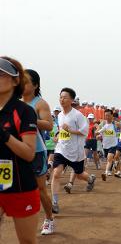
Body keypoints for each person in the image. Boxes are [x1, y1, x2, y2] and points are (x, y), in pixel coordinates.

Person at [0, 56, 39, 243]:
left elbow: (29, 153)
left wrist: (4, 135)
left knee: (27, 241)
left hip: (20, 185)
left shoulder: (23, 111)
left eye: (0, 74)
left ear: (15, 80)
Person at [51, 88, 96, 214]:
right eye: (60, 97)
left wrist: (70, 130)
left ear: (71, 100)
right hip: (61, 149)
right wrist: (58, 135)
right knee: (56, 173)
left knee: (80, 174)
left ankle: (91, 179)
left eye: (65, 97)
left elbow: (85, 132)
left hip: (75, 152)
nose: (62, 99)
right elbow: (62, 130)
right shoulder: (59, 115)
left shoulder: (78, 116)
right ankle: (54, 202)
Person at [22, 69, 55, 235]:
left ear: (35, 85)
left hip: (36, 151)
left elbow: (49, 125)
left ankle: (49, 219)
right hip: (16, 151)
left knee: (41, 190)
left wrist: (29, 119)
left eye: (26, 81)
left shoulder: (39, 103)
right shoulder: (13, 102)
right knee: (8, 187)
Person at [98, 109, 119, 181]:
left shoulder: (115, 124)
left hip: (113, 144)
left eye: (108, 115)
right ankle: (111, 167)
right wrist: (98, 136)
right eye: (106, 115)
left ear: (112, 116)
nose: (107, 117)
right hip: (105, 145)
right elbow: (98, 133)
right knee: (109, 159)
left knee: (109, 158)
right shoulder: (102, 124)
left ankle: (106, 173)